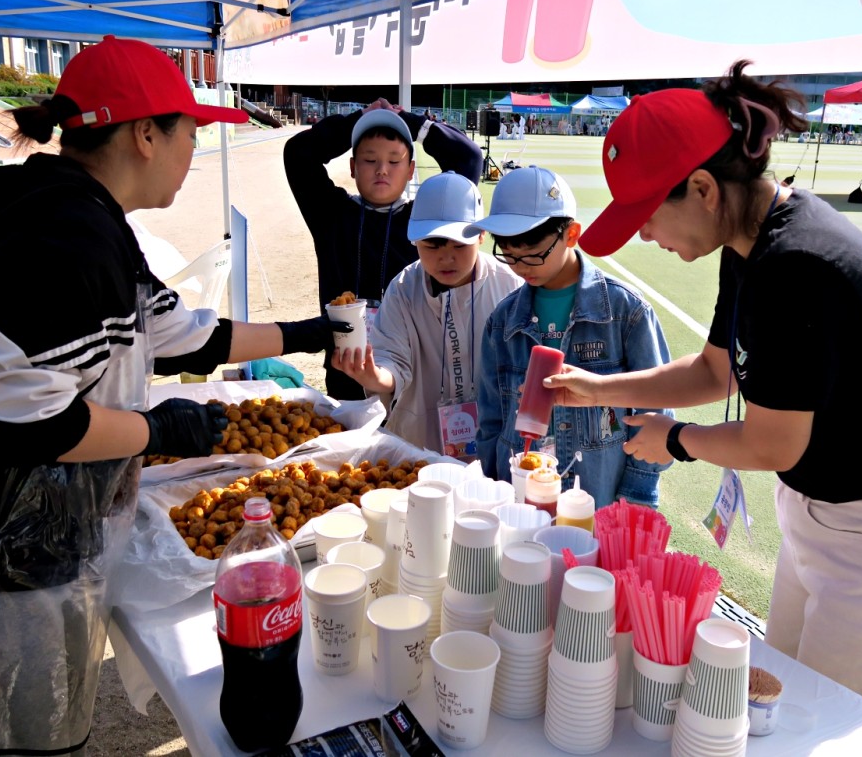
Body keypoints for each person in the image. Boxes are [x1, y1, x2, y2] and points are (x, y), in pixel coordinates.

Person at [0, 35, 345, 757]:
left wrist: (311, 331)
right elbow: (29, 420)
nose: (192, 150)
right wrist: (155, 429)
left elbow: (186, 333)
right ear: (146, 134)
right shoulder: (65, 234)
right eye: (191, 132)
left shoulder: (80, 212)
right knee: (11, 740)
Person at [547, 62, 862, 757]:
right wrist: (600, 388)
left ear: (702, 189)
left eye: (648, 215)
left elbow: (775, 443)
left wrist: (677, 441)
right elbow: (715, 367)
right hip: (826, 527)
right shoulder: (753, 243)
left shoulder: (796, 262)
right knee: (778, 721)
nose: (645, 235)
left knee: (832, 739)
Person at [468, 165, 672, 508]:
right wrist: (492, 491)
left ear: (572, 234)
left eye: (532, 251)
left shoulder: (625, 313)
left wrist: (635, 500)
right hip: (519, 503)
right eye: (509, 252)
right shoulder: (502, 324)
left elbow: (656, 416)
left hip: (601, 503)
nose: (520, 265)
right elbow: (490, 421)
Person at [283, 97, 482, 401]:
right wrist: (358, 119)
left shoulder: (424, 224)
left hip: (413, 372)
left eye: (394, 160)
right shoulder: (332, 215)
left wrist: (412, 122)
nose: (382, 170)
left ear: (411, 168)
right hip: (347, 370)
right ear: (352, 167)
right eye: (370, 159)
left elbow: (467, 159)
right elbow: (298, 154)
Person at [331, 171, 521, 457]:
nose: (446, 257)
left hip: (495, 439)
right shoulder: (404, 289)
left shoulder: (509, 286)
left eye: (459, 244)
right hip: (418, 442)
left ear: (482, 235)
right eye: (432, 245)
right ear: (415, 241)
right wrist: (372, 376)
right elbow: (392, 362)